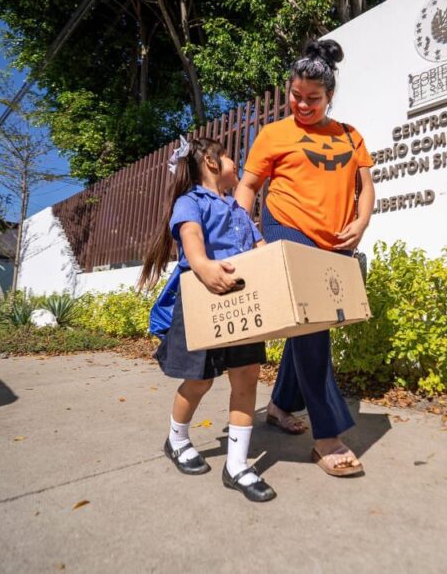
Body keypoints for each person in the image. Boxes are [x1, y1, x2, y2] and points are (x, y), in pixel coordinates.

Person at [235, 39, 375, 477]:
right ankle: (328, 434)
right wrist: (240, 234)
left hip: (335, 239)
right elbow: (248, 188)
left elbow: (366, 186)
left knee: (306, 323)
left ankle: (279, 405)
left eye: (313, 98)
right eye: (296, 95)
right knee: (313, 324)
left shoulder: (350, 136)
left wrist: (362, 221)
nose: (302, 104)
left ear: (329, 96)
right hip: (286, 226)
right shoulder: (274, 134)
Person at [139, 136, 276, 502]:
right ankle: (177, 438)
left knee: (247, 376)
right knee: (199, 381)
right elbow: (191, 238)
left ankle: (237, 466)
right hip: (202, 299)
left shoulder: (240, 211)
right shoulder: (190, 202)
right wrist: (202, 265)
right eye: (232, 157)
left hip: (242, 305)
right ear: (213, 162)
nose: (238, 164)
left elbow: (260, 250)